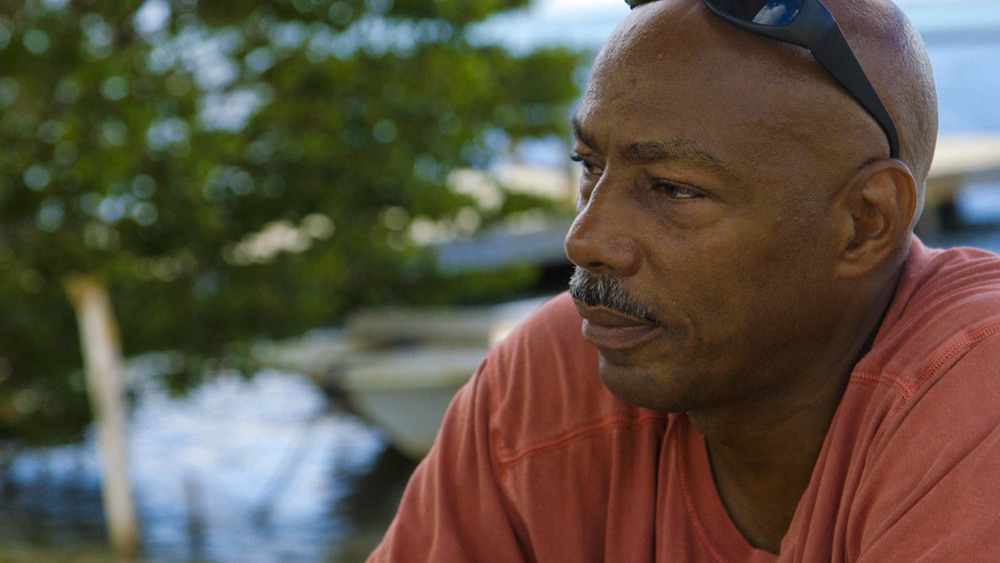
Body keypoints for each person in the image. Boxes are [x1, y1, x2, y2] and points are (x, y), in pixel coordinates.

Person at [370, 0, 1000, 560]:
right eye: (589, 166)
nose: (584, 240)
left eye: (673, 188)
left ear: (865, 222)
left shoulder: (977, 389)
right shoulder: (546, 383)